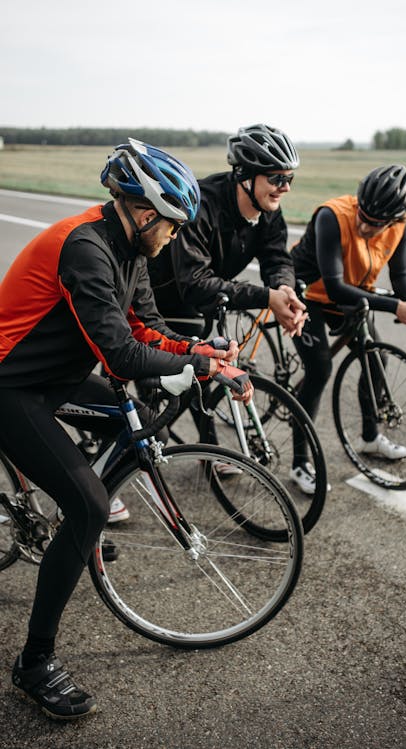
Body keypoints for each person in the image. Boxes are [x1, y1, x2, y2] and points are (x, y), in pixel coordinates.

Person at [0, 138, 251, 720]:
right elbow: (119, 356)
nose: (174, 236)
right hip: (11, 385)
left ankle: (67, 525)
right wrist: (200, 364)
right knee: (89, 505)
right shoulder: (85, 248)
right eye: (171, 224)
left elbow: (147, 327)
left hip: (52, 377)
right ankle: (34, 663)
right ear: (143, 213)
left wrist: (200, 349)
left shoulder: (133, 249)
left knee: (120, 421)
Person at [147, 123, 309, 483]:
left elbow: (277, 259)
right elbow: (195, 282)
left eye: (289, 179)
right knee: (167, 393)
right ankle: (125, 462)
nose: (284, 187)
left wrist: (284, 291)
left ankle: (209, 451)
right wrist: (266, 297)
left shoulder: (267, 210)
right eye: (276, 178)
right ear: (245, 176)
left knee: (208, 366)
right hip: (161, 300)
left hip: (203, 298)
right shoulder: (203, 205)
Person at [290, 164, 406, 488]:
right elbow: (335, 287)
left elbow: (401, 275)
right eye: (362, 215)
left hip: (352, 296)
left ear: (395, 219)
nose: (364, 225)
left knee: (375, 358)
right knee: (319, 370)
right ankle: (299, 463)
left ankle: (369, 437)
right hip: (310, 294)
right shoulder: (332, 215)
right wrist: (398, 306)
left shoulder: (399, 226)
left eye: (375, 223)